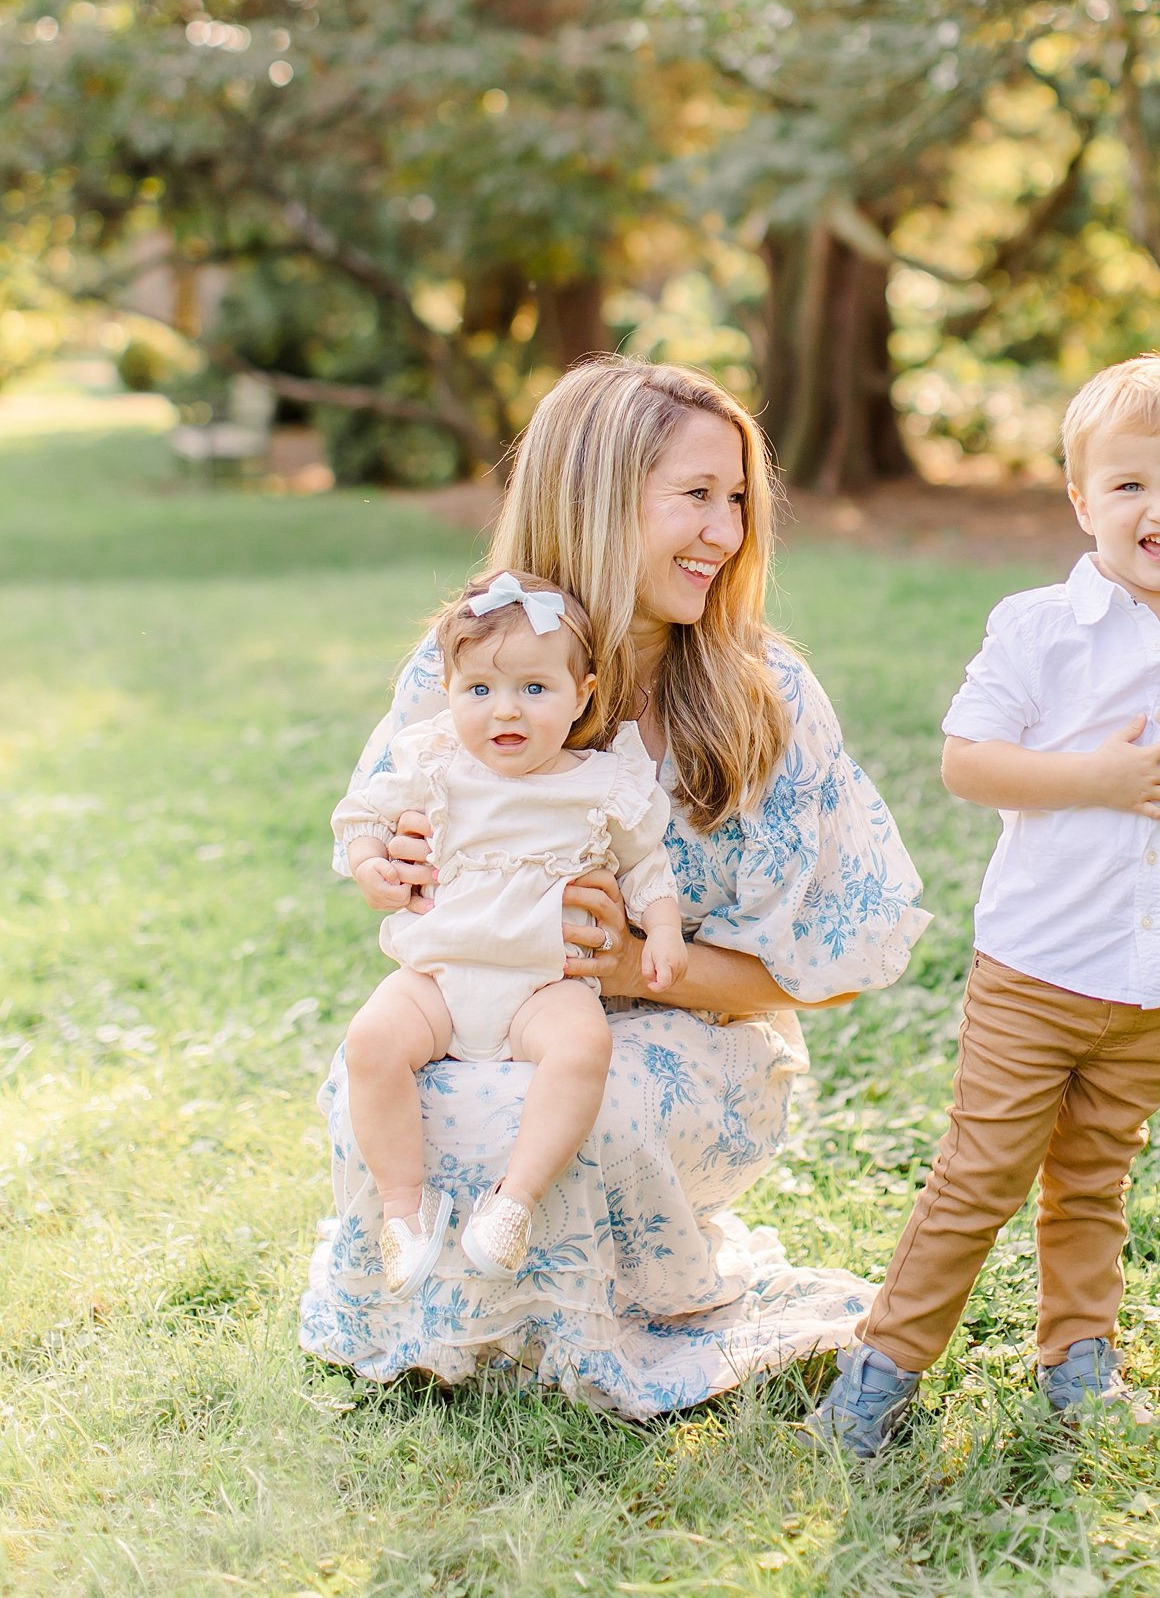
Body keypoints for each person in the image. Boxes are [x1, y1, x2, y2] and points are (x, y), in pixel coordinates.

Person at [300, 357, 930, 1414]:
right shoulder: (463, 663)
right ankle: (447, 1303)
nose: (725, 534)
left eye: (737, 501)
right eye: (696, 497)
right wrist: (388, 868)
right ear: (592, 497)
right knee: (390, 1077)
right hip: (480, 1000)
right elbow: (380, 841)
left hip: (694, 1035)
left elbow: (826, 977)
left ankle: (597, 1310)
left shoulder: (761, 697)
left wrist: (634, 961)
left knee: (583, 1109)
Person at [806, 353, 1160, 1457]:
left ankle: (1077, 1361)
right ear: (1081, 500)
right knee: (979, 1177)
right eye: (1130, 484)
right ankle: (883, 1368)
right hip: (1040, 968)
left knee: (1096, 1176)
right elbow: (967, 762)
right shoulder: (1040, 626)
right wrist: (1095, 778)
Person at [335, 568, 686, 1299]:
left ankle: (513, 1201)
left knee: (582, 1046)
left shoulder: (598, 782)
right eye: (481, 691)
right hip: (438, 978)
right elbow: (361, 818)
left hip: (540, 984)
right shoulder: (434, 762)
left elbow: (647, 866)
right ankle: (406, 1210)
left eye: (535, 689)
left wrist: (661, 932)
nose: (508, 712)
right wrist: (371, 865)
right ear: (450, 690)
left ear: (583, 693)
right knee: (370, 1043)